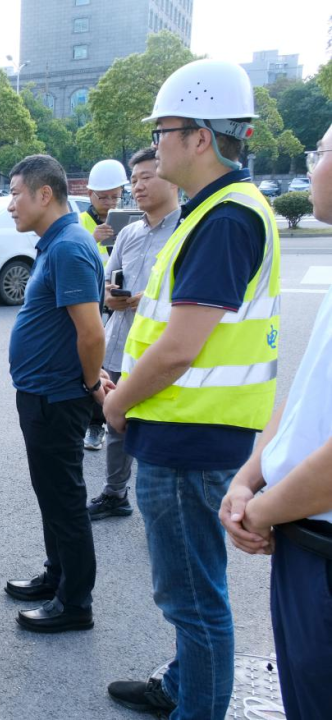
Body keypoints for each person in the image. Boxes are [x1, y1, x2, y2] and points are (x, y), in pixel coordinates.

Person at [103, 60, 280, 717]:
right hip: (189, 432)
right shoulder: (215, 210)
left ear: (201, 137)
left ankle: (195, 704)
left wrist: (118, 402)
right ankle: (181, 684)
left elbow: (182, 346)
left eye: (166, 130)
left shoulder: (226, 217)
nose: (156, 144)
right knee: (191, 587)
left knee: (193, 599)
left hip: (190, 440)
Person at [219, 121, 332, 720]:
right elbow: (309, 397)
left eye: (320, 152)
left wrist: (261, 507)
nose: (312, 166)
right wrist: (248, 480)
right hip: (299, 532)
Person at [4, 154, 104, 634]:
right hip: (40, 392)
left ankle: (75, 602)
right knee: (50, 493)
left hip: (59, 396)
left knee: (64, 498)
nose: (10, 205)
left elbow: (91, 332)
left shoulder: (69, 247)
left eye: (16, 192)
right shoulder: (54, 243)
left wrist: (89, 386)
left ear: (45, 194)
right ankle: (56, 575)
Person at [87, 147, 180, 521]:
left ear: (172, 176)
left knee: (160, 430)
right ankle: (115, 493)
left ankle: (164, 508)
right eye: (134, 180)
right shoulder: (128, 233)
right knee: (116, 422)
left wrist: (146, 300)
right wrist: (111, 294)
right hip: (121, 343)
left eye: (147, 177)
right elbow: (109, 280)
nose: (138, 187)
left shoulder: (187, 232)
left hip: (163, 352)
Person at [80, 159, 128, 452]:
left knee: (121, 368)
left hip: (120, 302)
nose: (109, 202)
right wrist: (92, 238)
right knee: (98, 366)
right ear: (90, 195)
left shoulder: (128, 220)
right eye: (103, 196)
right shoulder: (81, 223)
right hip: (93, 305)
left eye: (115, 196)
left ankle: (120, 422)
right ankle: (94, 426)